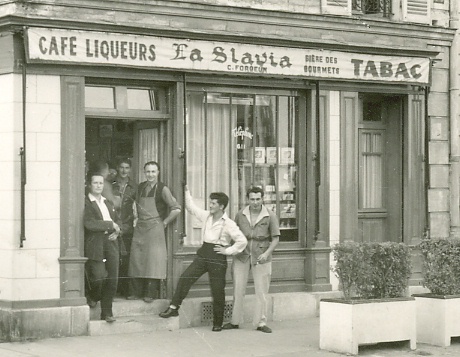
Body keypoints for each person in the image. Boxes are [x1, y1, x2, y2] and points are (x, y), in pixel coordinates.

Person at [159, 186, 247, 332]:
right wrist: (186, 190)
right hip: (203, 253)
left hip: (218, 257)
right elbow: (191, 208)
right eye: (210, 202)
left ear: (222, 206)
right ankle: (174, 308)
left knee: (217, 290)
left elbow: (242, 241)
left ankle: (217, 323)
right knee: (185, 277)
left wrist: (228, 251)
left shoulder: (229, 223)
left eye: (213, 203)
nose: (210, 206)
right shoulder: (206, 216)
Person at [222, 186, 280, 333]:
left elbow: (275, 238)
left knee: (261, 291)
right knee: (238, 289)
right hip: (242, 255)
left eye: (258, 199)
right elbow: (233, 233)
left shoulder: (270, 215)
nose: (255, 202)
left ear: (262, 199)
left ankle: (260, 322)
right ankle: (235, 321)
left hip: (261, 256)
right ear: (248, 199)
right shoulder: (240, 214)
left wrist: (267, 253)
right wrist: (231, 248)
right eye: (252, 199)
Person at [128, 161, 181, 303]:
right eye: (148, 172)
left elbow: (176, 209)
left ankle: (150, 293)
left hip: (155, 228)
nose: (150, 175)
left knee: (153, 261)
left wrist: (164, 222)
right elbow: (135, 204)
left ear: (158, 173)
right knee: (137, 259)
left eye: (153, 172)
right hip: (140, 227)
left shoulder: (163, 189)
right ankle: (135, 292)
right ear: (144, 173)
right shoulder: (140, 187)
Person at [84, 172, 121, 323]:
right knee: (98, 277)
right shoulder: (86, 202)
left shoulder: (108, 203)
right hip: (96, 244)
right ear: (89, 185)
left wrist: (118, 231)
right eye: (95, 183)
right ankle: (93, 296)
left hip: (111, 242)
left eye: (101, 183)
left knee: (113, 278)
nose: (99, 186)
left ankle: (107, 313)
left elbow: (118, 221)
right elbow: (89, 223)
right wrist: (110, 225)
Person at [112, 158, 137, 298]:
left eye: (127, 168)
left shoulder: (134, 187)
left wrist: (127, 226)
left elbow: (136, 209)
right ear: (117, 168)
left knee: (126, 259)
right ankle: (112, 291)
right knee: (113, 259)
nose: (124, 170)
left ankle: (125, 290)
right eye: (121, 167)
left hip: (127, 227)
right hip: (113, 226)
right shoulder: (111, 184)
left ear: (130, 169)